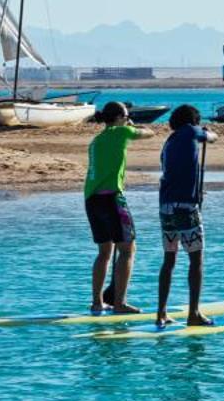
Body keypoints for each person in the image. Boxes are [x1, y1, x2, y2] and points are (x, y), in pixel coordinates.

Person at [85, 100, 151, 314]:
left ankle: (97, 302)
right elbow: (148, 133)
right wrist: (129, 124)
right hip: (112, 198)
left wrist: (125, 123)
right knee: (128, 249)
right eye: (125, 115)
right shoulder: (120, 133)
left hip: (91, 199)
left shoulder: (96, 141)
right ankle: (120, 303)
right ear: (119, 117)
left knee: (104, 252)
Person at [156, 103, 214, 327]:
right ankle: (194, 313)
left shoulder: (169, 142)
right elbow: (212, 137)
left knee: (169, 260)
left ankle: (161, 313)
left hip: (166, 206)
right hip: (185, 207)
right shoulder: (191, 131)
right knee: (196, 261)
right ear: (192, 121)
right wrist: (207, 131)